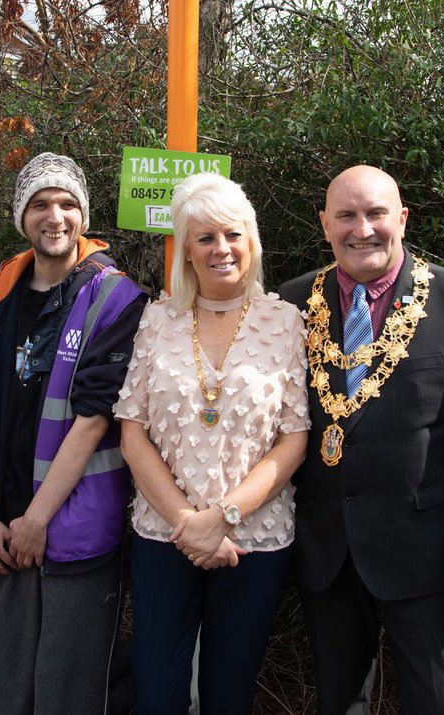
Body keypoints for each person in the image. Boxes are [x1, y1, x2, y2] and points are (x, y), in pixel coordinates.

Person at [278, 165, 444, 714]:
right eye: (346, 215)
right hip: (329, 556)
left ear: (402, 219)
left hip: (429, 561)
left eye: (376, 213)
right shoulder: (293, 303)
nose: (362, 229)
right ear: (325, 225)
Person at [115, 172, 310, 714]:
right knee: (158, 694)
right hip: (164, 534)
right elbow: (132, 431)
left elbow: (294, 439)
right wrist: (189, 524)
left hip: (254, 540)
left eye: (232, 234)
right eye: (205, 237)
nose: (221, 248)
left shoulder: (286, 322)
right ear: (186, 250)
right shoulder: (158, 320)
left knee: (229, 694)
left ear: (252, 241)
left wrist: (223, 517)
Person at [0, 152, 146, 714]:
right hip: (0, 529)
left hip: (75, 530)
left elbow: (95, 417)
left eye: (67, 203)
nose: (55, 216)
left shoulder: (115, 298)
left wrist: (37, 519)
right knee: (13, 688)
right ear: (22, 215)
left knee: (69, 692)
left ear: (83, 215)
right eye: (40, 203)